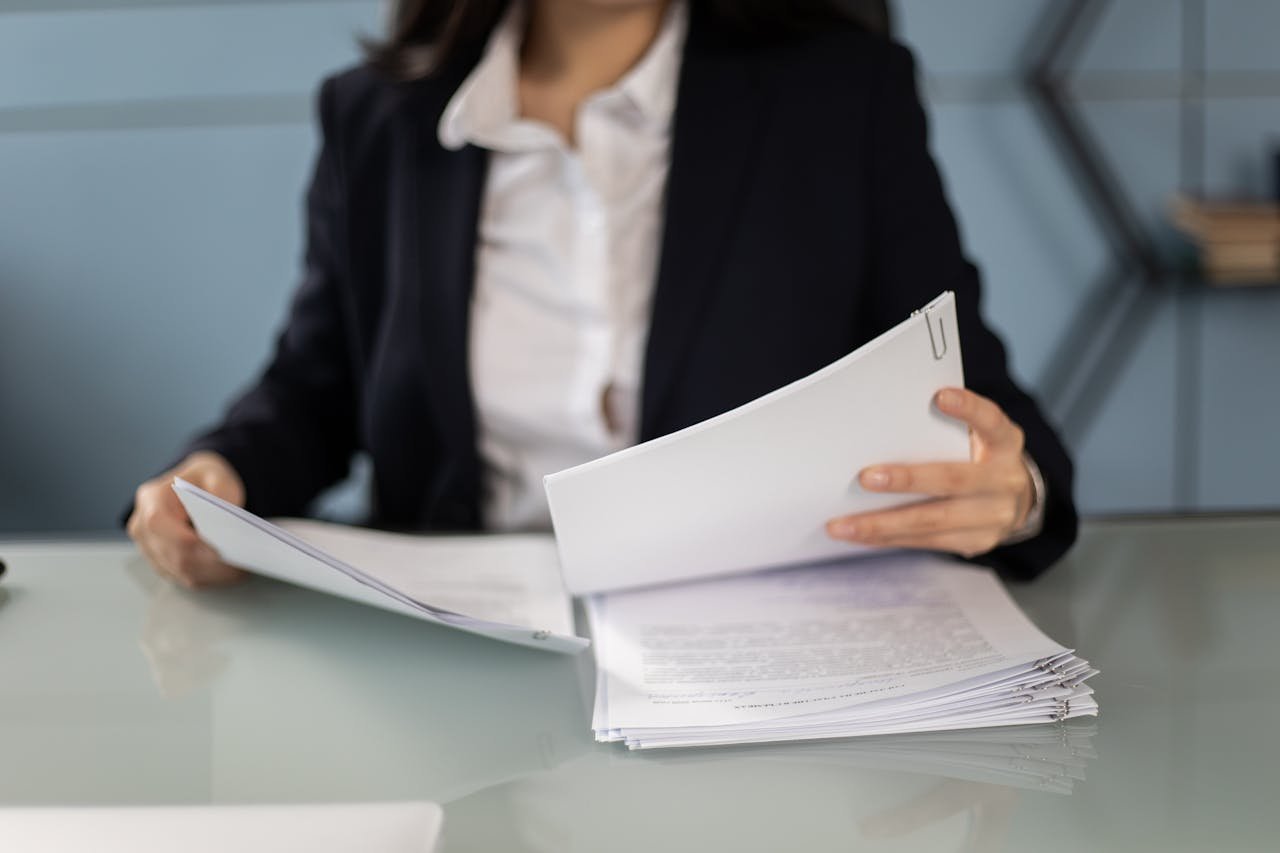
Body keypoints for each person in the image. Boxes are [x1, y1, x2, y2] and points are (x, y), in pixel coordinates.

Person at [128, 0, 1077, 588]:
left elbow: (985, 410)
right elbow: (316, 386)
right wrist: (219, 477)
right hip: (455, 653)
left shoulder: (839, 96)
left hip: (757, 669)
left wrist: (1015, 489)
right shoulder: (382, 116)